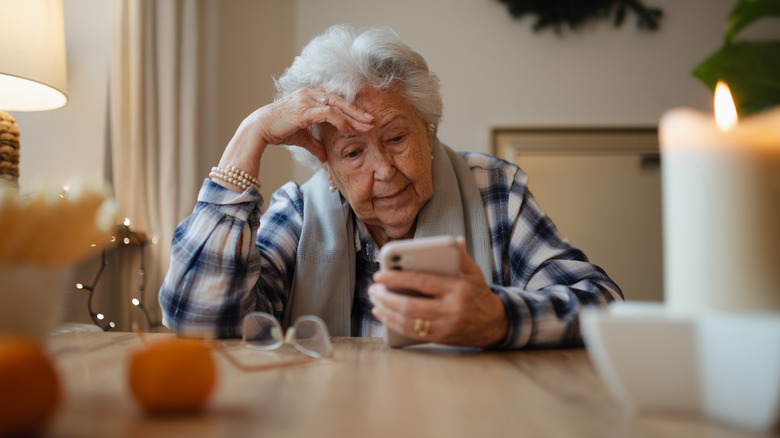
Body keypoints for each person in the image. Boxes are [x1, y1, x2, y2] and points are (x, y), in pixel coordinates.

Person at [159, 24, 623, 349]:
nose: (383, 170)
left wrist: (498, 319)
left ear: (429, 129)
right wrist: (251, 134)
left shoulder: (494, 192)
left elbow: (602, 306)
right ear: (328, 169)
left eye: (396, 137)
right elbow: (198, 322)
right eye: (353, 153)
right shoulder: (299, 213)